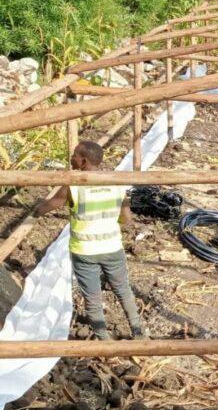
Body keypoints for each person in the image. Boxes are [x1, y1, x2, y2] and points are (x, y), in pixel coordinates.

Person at [35, 141, 146, 340]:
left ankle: (104, 340)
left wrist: (35, 211)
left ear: (84, 161)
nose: (71, 158)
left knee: (93, 297)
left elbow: (50, 206)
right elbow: (127, 219)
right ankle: (138, 332)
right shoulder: (115, 182)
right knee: (123, 289)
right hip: (112, 248)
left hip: (84, 252)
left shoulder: (73, 185)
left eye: (75, 155)